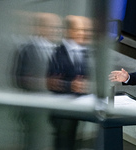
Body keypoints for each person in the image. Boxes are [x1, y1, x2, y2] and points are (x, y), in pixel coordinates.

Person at [47, 15, 93, 150]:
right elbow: (51, 81)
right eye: (79, 30)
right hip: (61, 106)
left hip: (79, 105)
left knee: (73, 141)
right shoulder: (57, 52)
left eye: (85, 30)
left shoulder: (85, 52)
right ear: (69, 31)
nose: (83, 33)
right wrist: (71, 85)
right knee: (63, 142)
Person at [14, 12, 62, 91]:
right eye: (52, 27)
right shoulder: (27, 50)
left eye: (58, 28)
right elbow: (21, 79)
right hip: (34, 97)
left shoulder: (60, 50)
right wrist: (43, 82)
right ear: (40, 28)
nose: (56, 31)